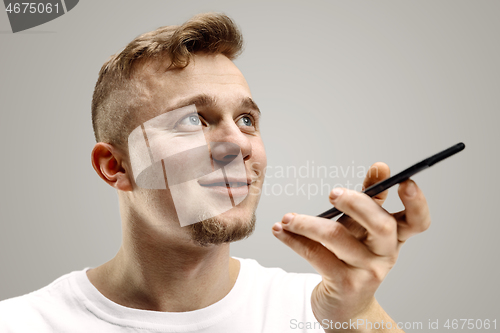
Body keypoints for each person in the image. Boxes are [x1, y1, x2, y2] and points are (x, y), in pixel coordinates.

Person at [0, 12, 430, 332]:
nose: (240, 144)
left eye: (246, 120)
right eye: (193, 120)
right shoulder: (23, 323)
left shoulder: (323, 311)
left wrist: (359, 316)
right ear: (116, 166)